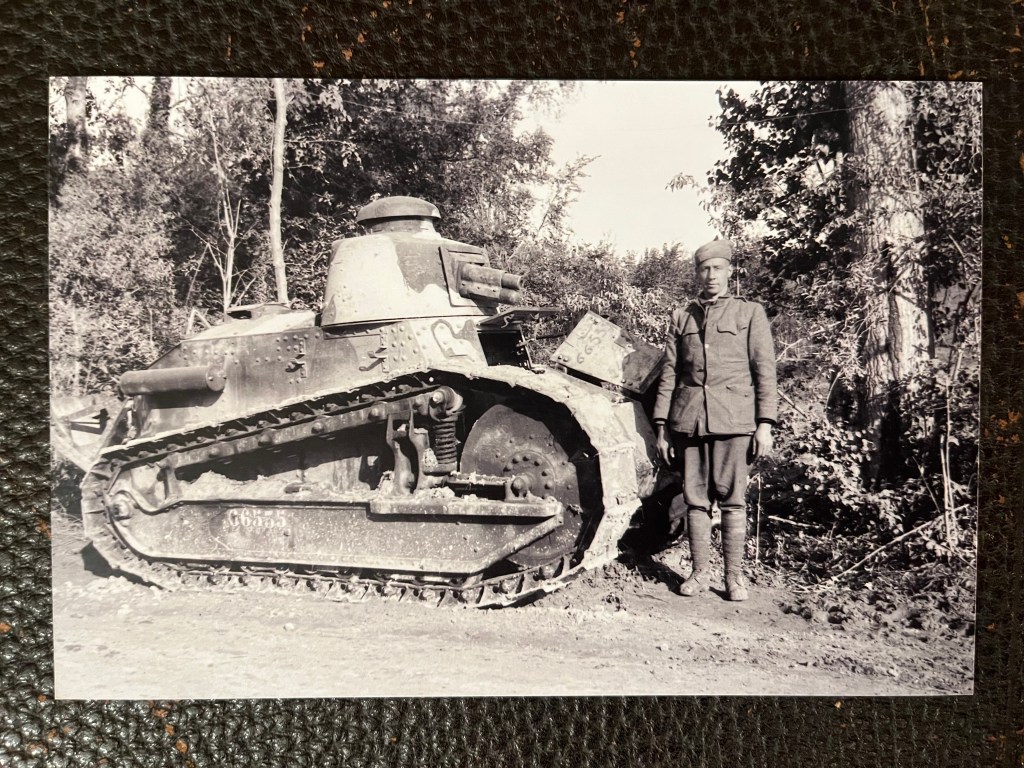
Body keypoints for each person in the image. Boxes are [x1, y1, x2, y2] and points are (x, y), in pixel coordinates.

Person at [652, 239, 778, 601]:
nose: (711, 276)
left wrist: (765, 423)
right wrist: (662, 426)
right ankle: (699, 573)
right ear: (697, 273)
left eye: (718, 268)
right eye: (705, 269)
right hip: (689, 420)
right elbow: (670, 373)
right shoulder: (682, 316)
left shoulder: (749, 313)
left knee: (733, 500)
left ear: (729, 272)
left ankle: (733, 579)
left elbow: (764, 371)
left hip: (735, 420)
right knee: (695, 500)